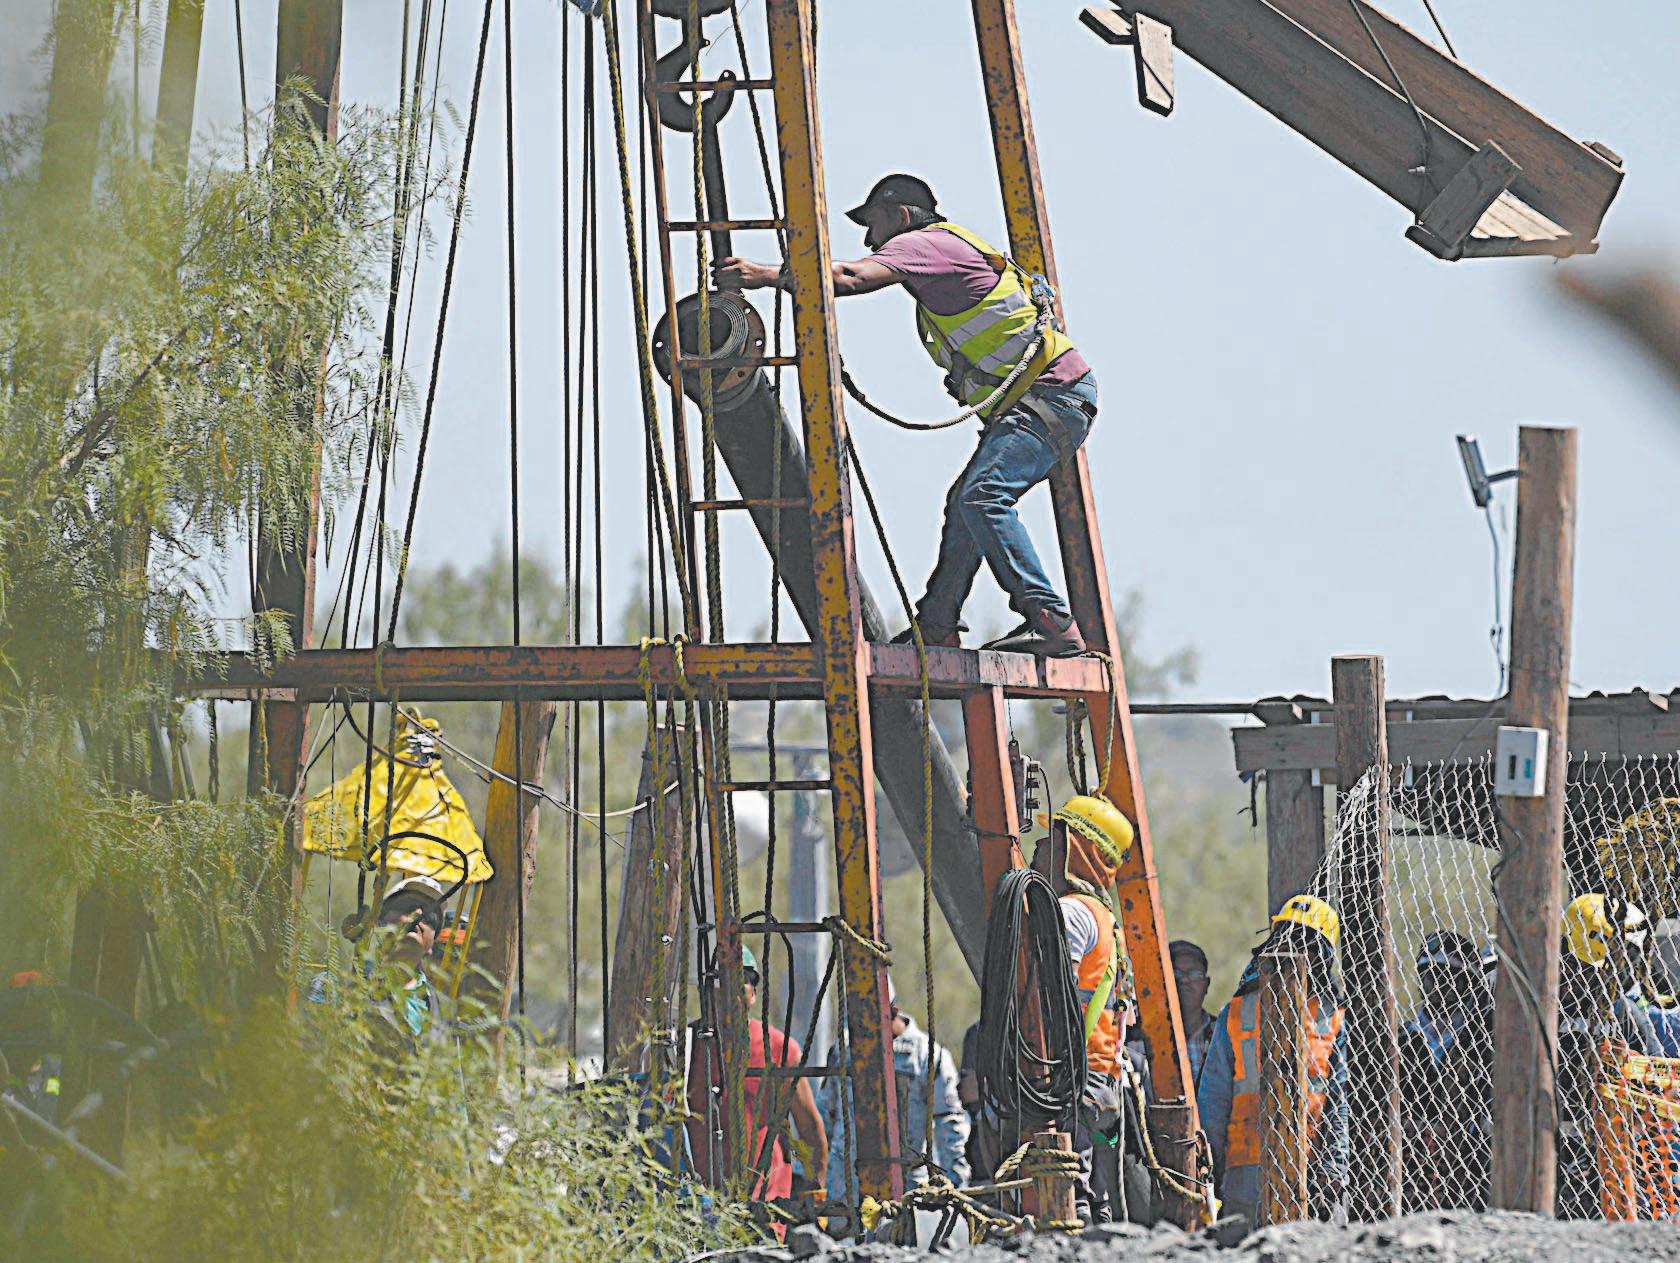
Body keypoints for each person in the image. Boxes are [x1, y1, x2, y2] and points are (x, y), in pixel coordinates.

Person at [715, 173, 1099, 657]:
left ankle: (1051, 621)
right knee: (966, 503)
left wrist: (766, 275)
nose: (869, 240)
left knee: (982, 497)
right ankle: (938, 623)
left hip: (1050, 396)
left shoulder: (925, 244)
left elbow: (850, 277)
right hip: (1043, 399)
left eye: (872, 224)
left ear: (900, 217)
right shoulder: (947, 255)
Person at [1197, 894, 1349, 1229]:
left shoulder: (1333, 1019)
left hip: (1310, 1169)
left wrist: (1334, 1167)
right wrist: (1210, 1167)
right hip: (1248, 1168)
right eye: (1291, 940)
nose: (1296, 951)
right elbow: (1214, 1099)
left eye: (1306, 944)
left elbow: (1339, 1100)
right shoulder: (1238, 1012)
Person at [1031, 792, 1138, 1223]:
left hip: (1073, 1081)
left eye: (1052, 838)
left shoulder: (1071, 911)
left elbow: (1053, 997)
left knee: (1069, 1197)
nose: (1039, 847)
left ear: (1076, 851)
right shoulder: (1103, 917)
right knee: (1094, 1199)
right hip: (1099, 1084)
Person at [685, 944, 828, 1202]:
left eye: (736, 990)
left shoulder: (778, 1049)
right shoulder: (686, 1047)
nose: (726, 1001)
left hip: (767, 1205)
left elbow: (809, 1129)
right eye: (718, 991)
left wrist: (815, 1196)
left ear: (753, 994)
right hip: (700, 1205)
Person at [818, 979, 969, 1201]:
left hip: (906, 1191)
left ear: (893, 1011)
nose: (865, 1032)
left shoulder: (927, 1056)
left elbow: (948, 1122)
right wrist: (808, 1175)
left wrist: (954, 1181)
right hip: (845, 1190)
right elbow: (823, 1117)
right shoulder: (843, 1052)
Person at [1397, 930, 1495, 1211]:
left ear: (1468, 983)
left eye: (1451, 976)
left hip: (1470, 1168)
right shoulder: (1402, 1038)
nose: (1440, 984)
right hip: (1412, 1168)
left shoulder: (1482, 1042)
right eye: (1432, 974)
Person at [306, 875, 445, 1050]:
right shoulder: (333, 986)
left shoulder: (445, 1011)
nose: (418, 914)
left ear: (431, 945)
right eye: (406, 906)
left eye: (430, 917)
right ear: (379, 922)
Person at [1170, 941, 1217, 1086]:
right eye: (1175, 973)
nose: (1184, 980)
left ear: (1207, 984)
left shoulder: (1222, 1033)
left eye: (1195, 974)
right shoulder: (1140, 1036)